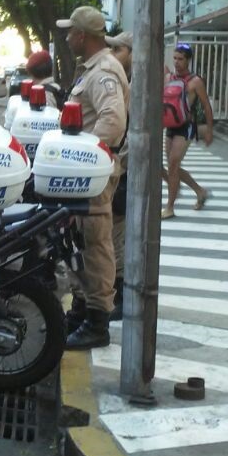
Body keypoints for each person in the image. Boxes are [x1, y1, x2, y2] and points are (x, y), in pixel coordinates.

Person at [58, 6, 129, 350]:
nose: (67, 37)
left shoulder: (103, 71)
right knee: (79, 242)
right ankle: (82, 311)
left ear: (82, 35)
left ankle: (97, 321)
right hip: (81, 176)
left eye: (70, 31)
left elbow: (112, 123)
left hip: (92, 175)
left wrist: (85, 160)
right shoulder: (90, 69)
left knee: (96, 244)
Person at [161, 44, 214, 219]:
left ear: (188, 60)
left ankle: (169, 207)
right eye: (175, 58)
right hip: (170, 126)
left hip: (186, 127)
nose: (177, 62)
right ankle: (200, 191)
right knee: (171, 168)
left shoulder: (195, 81)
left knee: (174, 165)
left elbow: (206, 106)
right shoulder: (168, 77)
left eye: (181, 59)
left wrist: (209, 130)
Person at [105, 31, 134, 320]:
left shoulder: (134, 87)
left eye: (120, 49)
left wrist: (117, 166)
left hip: (123, 172)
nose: (113, 54)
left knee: (118, 235)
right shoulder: (121, 81)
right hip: (115, 168)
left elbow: (133, 135)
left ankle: (123, 295)